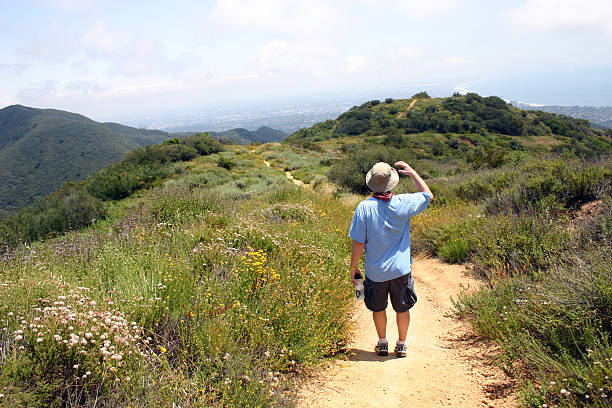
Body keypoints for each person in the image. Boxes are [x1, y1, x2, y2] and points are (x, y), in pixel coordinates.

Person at [348, 161, 433, 357]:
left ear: (372, 183)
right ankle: (402, 344)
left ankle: (382, 343)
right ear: (391, 183)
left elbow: (358, 243)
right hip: (400, 270)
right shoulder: (404, 203)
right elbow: (428, 195)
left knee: (378, 308)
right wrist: (412, 173)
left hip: (375, 272)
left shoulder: (363, 208)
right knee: (402, 308)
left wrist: (353, 268)